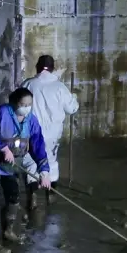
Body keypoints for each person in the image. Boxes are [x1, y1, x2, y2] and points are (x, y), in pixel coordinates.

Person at [0, 88, 52, 253]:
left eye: (29, 105)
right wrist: (2, 148)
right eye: (23, 104)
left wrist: (44, 171)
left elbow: (37, 144)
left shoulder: (31, 120)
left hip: (14, 164)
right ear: (14, 103)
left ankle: (8, 230)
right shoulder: (0, 113)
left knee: (14, 196)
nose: (26, 108)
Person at [20, 55, 79, 201]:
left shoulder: (28, 84)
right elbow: (72, 109)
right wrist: (74, 98)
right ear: (52, 69)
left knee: (31, 160)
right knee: (50, 160)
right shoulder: (60, 87)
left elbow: (18, 106)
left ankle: (32, 194)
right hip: (52, 133)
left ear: (37, 67)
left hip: (31, 132)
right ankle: (51, 194)